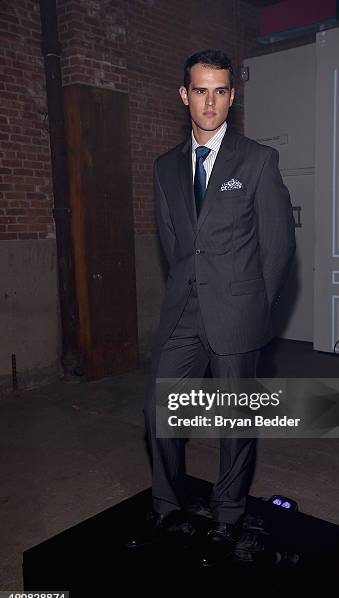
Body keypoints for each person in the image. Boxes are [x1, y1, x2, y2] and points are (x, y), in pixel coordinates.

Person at [131, 49, 296, 567]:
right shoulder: (165, 168)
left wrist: (254, 309)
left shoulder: (257, 160)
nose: (210, 101)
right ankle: (167, 503)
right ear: (185, 95)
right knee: (158, 408)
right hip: (184, 313)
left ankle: (229, 515)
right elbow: (177, 244)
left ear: (232, 95)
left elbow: (278, 246)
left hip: (238, 314)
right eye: (200, 90)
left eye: (220, 90)